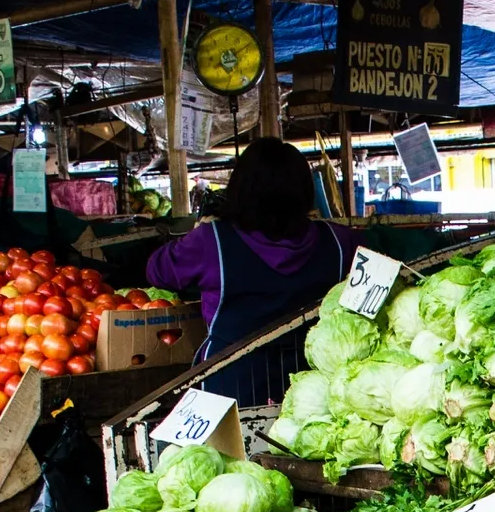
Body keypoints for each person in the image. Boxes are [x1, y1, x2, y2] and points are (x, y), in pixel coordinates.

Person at [146, 138, 358, 403]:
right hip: (313, 391)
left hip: (229, 387)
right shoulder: (340, 242)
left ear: (239, 190)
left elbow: (158, 271)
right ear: (305, 192)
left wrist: (197, 232)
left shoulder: (211, 241)